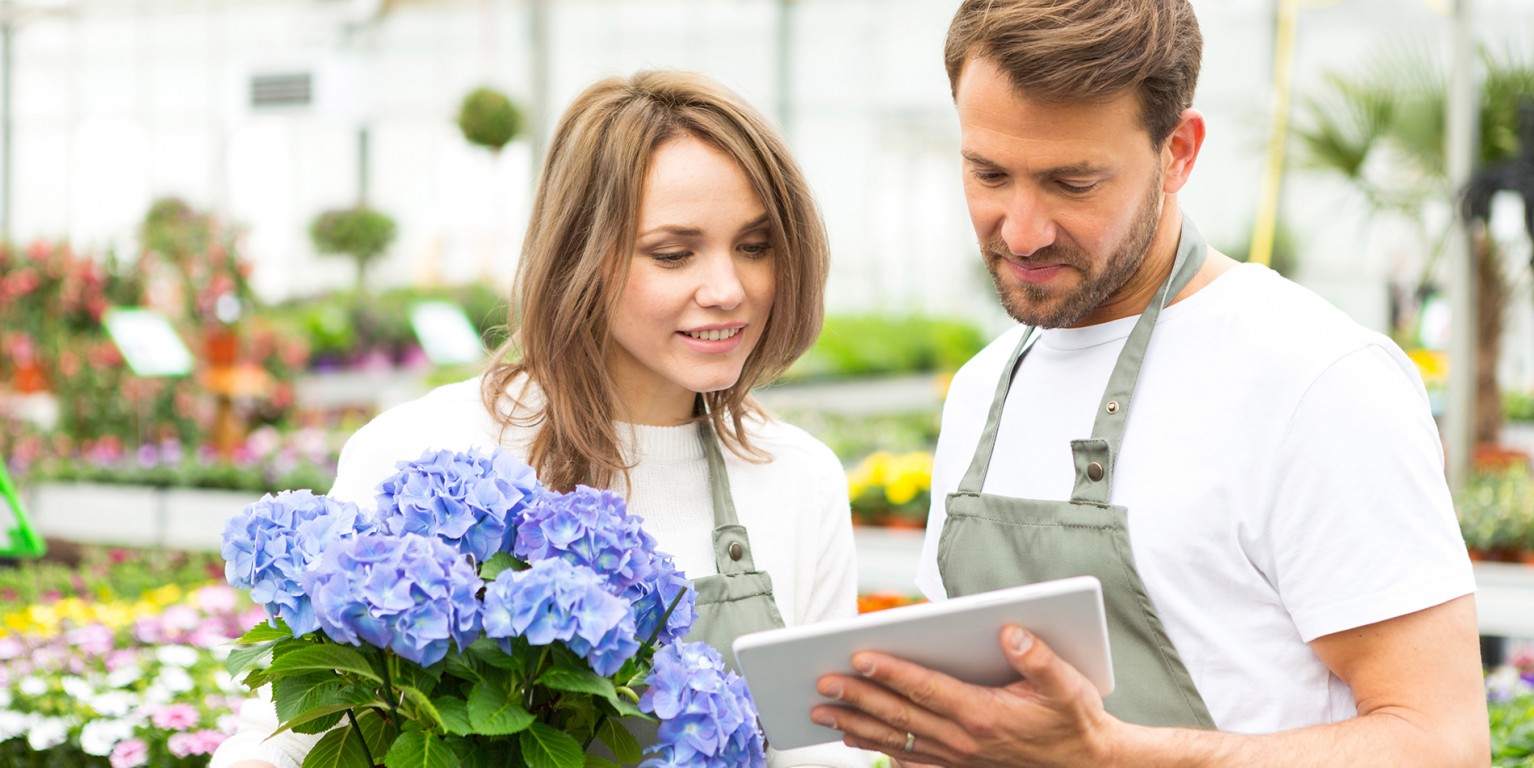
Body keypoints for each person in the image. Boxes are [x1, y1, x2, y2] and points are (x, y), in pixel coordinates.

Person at [812, 1, 1489, 765]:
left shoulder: (1314, 383)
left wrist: (1110, 753)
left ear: (1179, 152)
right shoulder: (985, 390)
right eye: (988, 173)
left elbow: (1442, 742)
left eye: (1073, 181)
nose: (1022, 229)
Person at [213, 71, 870, 768]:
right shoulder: (422, 454)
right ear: (583, 256)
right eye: (674, 253)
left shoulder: (798, 480)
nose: (727, 289)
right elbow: (280, 745)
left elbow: (821, 753)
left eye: (755, 246)